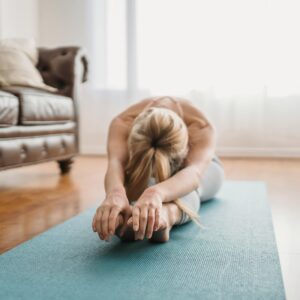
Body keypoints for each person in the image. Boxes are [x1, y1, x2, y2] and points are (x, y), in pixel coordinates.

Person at [92, 96, 224, 243]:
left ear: (187, 147)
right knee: (136, 182)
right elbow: (116, 163)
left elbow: (194, 173)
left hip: (202, 168)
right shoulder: (122, 123)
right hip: (143, 168)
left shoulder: (201, 127)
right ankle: (129, 217)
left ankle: (168, 215)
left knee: (192, 188)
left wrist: (155, 192)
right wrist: (115, 194)